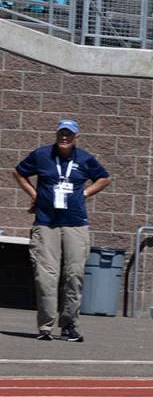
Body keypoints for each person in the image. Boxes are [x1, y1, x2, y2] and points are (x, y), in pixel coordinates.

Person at [14, 120, 112, 342]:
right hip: (46, 222)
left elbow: (104, 178)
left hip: (75, 223)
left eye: (69, 134)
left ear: (76, 137)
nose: (65, 137)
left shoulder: (85, 159)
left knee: (74, 275)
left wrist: (85, 194)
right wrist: (34, 194)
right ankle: (45, 327)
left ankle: (69, 325)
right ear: (57, 134)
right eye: (61, 133)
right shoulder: (41, 155)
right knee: (45, 277)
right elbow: (19, 173)